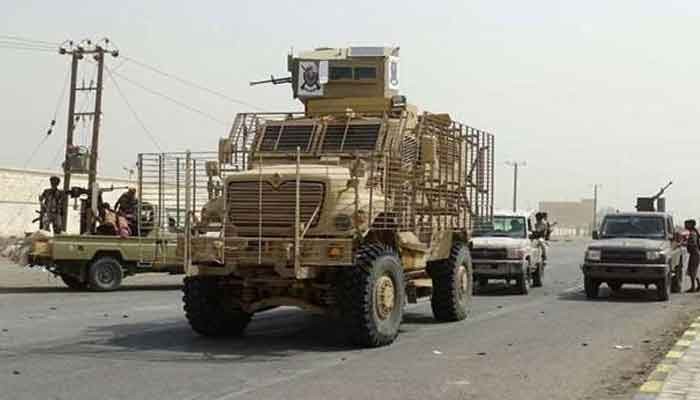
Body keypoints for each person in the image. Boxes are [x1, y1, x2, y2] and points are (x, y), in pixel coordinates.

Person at [685, 219, 700, 292]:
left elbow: (693, 243)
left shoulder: (692, 233)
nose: (685, 225)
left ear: (691, 225)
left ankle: (693, 287)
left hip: (694, 254)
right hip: (695, 254)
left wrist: (684, 244)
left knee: (692, 271)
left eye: (687, 224)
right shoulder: (693, 232)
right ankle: (697, 285)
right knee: (693, 270)